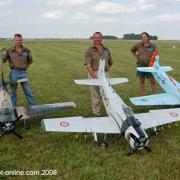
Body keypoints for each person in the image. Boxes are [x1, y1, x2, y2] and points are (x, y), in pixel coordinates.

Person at [2, 33, 36, 106]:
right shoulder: (9, 50)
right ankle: (13, 109)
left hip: (24, 73)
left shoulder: (27, 50)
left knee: (28, 91)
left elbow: (30, 61)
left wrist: (24, 66)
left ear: (22, 40)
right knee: (13, 92)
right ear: (14, 40)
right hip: (13, 73)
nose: (18, 41)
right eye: (17, 40)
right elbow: (3, 60)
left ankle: (34, 108)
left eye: (20, 40)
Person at [84, 32, 113, 116]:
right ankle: (96, 112)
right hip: (94, 73)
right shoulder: (89, 50)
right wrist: (94, 77)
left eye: (99, 37)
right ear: (93, 39)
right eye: (95, 37)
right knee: (95, 94)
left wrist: (106, 71)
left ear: (102, 38)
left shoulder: (106, 49)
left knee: (108, 93)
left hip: (105, 73)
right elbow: (88, 65)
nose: (97, 39)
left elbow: (110, 62)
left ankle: (111, 111)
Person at [130, 32, 157, 96]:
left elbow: (156, 54)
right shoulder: (138, 45)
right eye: (142, 37)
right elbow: (132, 50)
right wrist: (137, 57)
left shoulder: (153, 46)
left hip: (150, 66)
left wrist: (154, 62)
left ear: (148, 37)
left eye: (144, 37)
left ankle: (155, 95)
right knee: (142, 81)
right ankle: (143, 95)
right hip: (141, 65)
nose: (143, 38)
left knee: (152, 81)